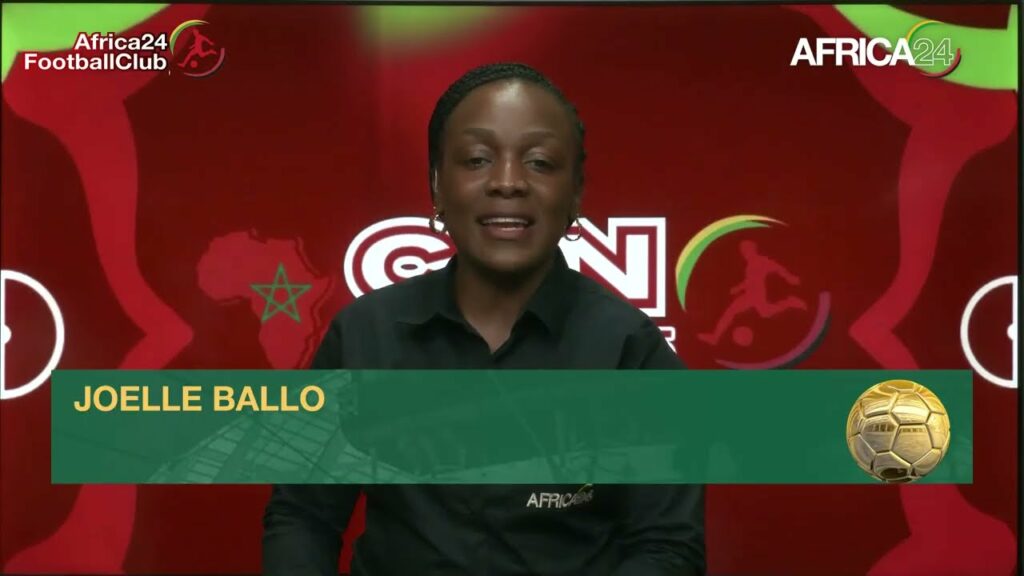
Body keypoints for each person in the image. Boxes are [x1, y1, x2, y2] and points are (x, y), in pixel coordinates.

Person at [262, 62, 706, 576]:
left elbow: (666, 548)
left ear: (576, 193)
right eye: (477, 159)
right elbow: (303, 516)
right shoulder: (364, 335)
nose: (508, 182)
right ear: (437, 186)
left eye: (540, 162)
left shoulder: (631, 353)